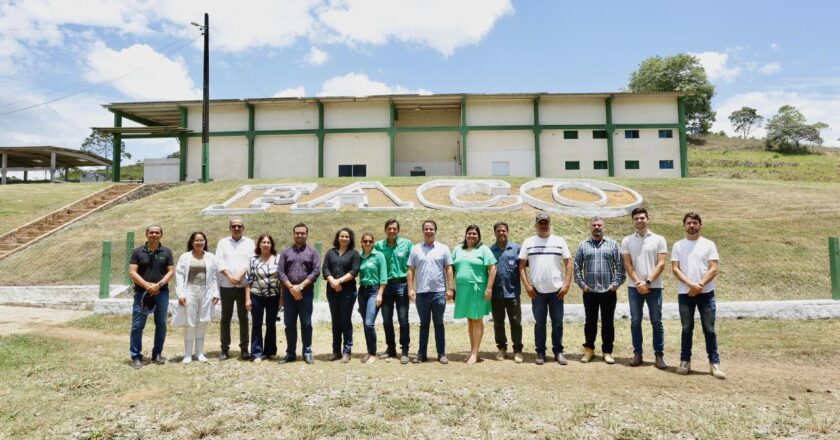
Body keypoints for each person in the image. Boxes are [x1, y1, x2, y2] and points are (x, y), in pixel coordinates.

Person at [671, 212, 725, 379]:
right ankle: (685, 361)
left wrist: (700, 285)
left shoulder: (708, 244)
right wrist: (690, 285)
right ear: (684, 225)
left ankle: (714, 364)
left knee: (709, 329)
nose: (692, 226)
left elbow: (713, 268)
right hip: (685, 293)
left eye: (695, 222)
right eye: (688, 223)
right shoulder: (678, 245)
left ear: (700, 224)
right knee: (686, 329)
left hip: (706, 293)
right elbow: (675, 268)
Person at [519, 213, 573, 366]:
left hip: (557, 291)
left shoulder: (559, 241)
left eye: (546, 223)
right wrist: (527, 286)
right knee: (540, 323)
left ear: (550, 224)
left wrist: (566, 284)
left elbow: (569, 263)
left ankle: (558, 351)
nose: (543, 225)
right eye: (540, 223)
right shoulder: (528, 242)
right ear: (536, 225)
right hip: (537, 291)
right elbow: (521, 266)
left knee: (557, 323)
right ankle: (540, 352)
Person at [620, 207, 668, 369]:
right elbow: (627, 264)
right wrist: (638, 282)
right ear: (633, 221)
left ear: (648, 219)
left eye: (642, 218)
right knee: (635, 321)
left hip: (654, 287)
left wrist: (647, 282)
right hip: (634, 288)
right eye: (636, 218)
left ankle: (659, 355)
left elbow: (661, 263)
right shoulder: (627, 240)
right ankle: (637, 353)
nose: (639, 221)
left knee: (657, 322)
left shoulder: (659, 239)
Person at [573, 217, 625, 364]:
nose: (597, 227)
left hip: (608, 291)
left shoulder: (613, 245)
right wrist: (582, 284)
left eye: (599, 225)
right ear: (590, 227)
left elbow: (620, 267)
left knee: (608, 323)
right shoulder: (583, 245)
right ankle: (589, 351)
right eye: (594, 225)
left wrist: (615, 284)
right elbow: (576, 266)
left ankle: (607, 352)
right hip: (589, 291)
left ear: (604, 227)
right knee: (590, 322)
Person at [407, 219, 454, 364]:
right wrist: (410, 288)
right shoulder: (415, 249)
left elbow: (449, 268)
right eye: (426, 229)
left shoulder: (443, 248)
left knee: (439, 323)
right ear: (423, 231)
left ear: (435, 231)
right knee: (424, 324)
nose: (429, 231)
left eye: (431, 229)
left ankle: (441, 354)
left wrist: (450, 288)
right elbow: (410, 270)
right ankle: (422, 354)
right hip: (421, 293)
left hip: (439, 292)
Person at [128, 224, 175, 369]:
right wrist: (147, 286)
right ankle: (136, 356)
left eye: (157, 232)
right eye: (151, 232)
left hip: (161, 293)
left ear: (161, 235)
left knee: (161, 324)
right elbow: (132, 272)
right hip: (142, 293)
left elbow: (171, 271)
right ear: (146, 234)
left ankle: (157, 354)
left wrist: (158, 285)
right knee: (137, 325)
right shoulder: (137, 251)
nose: (154, 235)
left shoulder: (166, 252)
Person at [173, 231, 220, 364]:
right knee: (190, 322)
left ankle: (199, 353)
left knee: (202, 321)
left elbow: (215, 276)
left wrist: (216, 293)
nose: (199, 243)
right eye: (196, 240)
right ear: (192, 242)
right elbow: (180, 275)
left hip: (206, 291)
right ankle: (188, 354)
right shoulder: (185, 257)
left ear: (205, 242)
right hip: (190, 291)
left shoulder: (211, 257)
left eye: (202, 240)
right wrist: (181, 294)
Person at [452, 225, 497, 364]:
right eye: (469, 233)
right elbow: (451, 268)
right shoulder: (458, 249)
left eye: (474, 234)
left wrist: (489, 289)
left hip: (477, 289)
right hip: (462, 289)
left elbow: (493, 269)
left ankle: (475, 352)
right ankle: (472, 349)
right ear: (465, 235)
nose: (471, 236)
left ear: (479, 236)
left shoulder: (483, 250)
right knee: (470, 320)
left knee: (477, 319)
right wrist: (451, 287)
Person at [278, 223, 321, 364]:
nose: (300, 235)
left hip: (306, 293)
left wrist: (300, 287)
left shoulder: (313, 252)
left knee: (306, 323)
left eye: (302, 233)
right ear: (293, 234)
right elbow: (280, 272)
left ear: (306, 234)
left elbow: (316, 271)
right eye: (297, 233)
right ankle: (290, 353)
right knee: (289, 324)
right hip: (289, 294)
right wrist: (291, 288)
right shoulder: (285, 252)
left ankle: (307, 352)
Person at [215, 217, 255, 360]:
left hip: (243, 286)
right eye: (234, 226)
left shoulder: (250, 243)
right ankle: (224, 349)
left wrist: (239, 276)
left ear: (243, 228)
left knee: (243, 317)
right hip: (226, 285)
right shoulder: (222, 243)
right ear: (230, 228)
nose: (236, 228)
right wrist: (230, 276)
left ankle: (244, 348)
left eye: (239, 226)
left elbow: (251, 261)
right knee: (225, 318)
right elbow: (218, 261)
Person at [374, 219, 413, 364]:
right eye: (389, 228)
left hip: (402, 284)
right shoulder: (378, 246)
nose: (392, 231)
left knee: (403, 319)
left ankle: (405, 350)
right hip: (385, 286)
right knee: (386, 319)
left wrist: (411, 287)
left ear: (398, 230)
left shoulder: (407, 244)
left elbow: (411, 266)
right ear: (385, 230)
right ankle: (391, 348)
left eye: (394, 228)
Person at [322, 228, 361, 363]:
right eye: (342, 236)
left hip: (348, 292)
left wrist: (340, 281)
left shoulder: (354, 253)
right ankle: (336, 351)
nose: (344, 238)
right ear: (338, 238)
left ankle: (346, 351)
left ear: (350, 239)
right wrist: (332, 281)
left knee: (345, 320)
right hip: (332, 291)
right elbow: (325, 268)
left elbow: (355, 270)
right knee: (335, 321)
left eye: (347, 237)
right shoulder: (330, 253)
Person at [489, 222, 524, 363]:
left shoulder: (516, 249)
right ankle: (502, 349)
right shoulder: (490, 250)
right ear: (495, 233)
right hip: (496, 294)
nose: (501, 233)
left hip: (512, 293)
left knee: (516, 322)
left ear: (507, 232)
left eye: (503, 231)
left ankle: (517, 350)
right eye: (498, 231)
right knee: (498, 323)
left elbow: (523, 267)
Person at [244, 234, 281, 363]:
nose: (265, 244)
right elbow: (248, 280)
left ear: (272, 245)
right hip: (256, 296)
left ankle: (270, 351)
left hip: (273, 296)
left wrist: (281, 299)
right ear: (259, 244)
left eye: (268, 242)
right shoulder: (252, 260)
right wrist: (247, 299)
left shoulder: (278, 258)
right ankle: (257, 353)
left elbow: (282, 279)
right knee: (257, 324)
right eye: (263, 242)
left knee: (271, 324)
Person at [357, 232, 387, 365]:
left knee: (369, 323)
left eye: (370, 241)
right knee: (365, 323)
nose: (368, 243)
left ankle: (374, 353)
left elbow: (383, 277)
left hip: (375, 291)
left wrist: (380, 294)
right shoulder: (359, 257)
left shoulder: (379, 256)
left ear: (373, 242)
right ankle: (369, 351)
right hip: (362, 291)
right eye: (365, 241)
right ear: (361, 243)